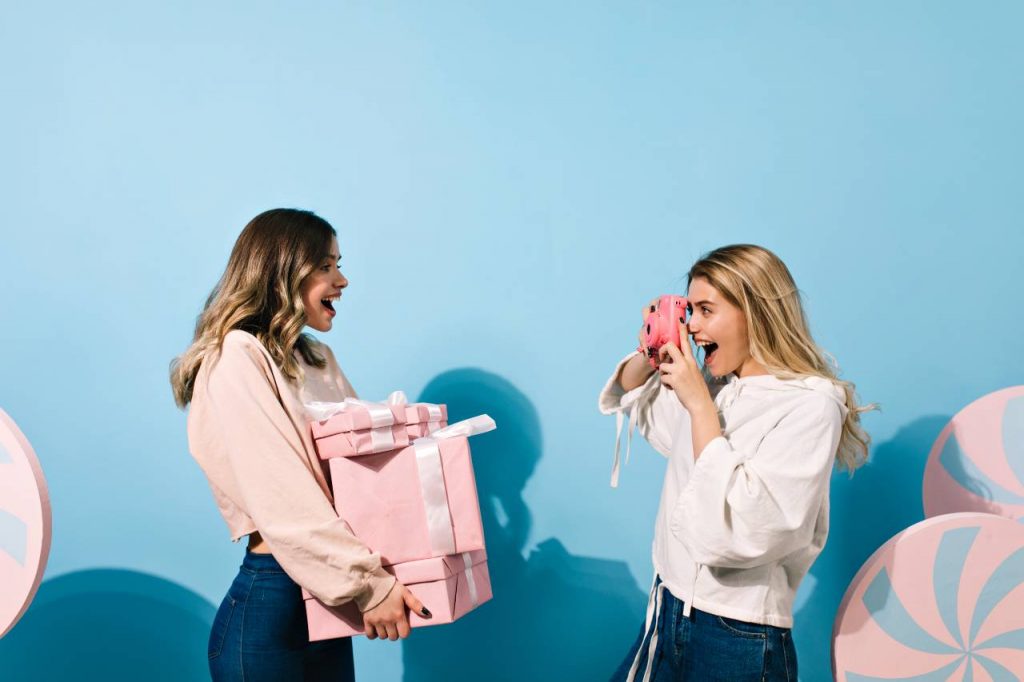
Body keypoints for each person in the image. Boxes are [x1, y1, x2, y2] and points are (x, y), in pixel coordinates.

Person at [170, 208, 429, 681]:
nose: (343, 279)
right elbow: (282, 497)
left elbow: (356, 475)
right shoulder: (236, 357)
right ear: (284, 271)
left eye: (338, 263)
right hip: (273, 606)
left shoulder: (314, 356)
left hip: (323, 601)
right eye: (326, 266)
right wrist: (369, 586)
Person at [599, 244, 874, 681]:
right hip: (667, 605)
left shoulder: (810, 405)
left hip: (737, 633)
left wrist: (700, 409)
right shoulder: (715, 383)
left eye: (706, 310)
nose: (694, 326)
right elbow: (638, 402)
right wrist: (653, 345)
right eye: (689, 311)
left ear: (756, 312)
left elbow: (749, 529)